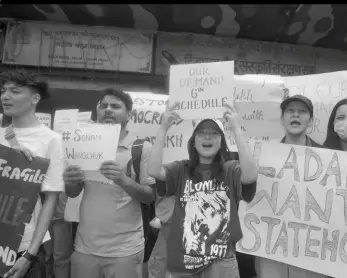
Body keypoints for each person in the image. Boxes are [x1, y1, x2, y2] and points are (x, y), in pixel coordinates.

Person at [147, 102, 258, 278]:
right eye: (202, 133)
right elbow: (153, 170)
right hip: (184, 260)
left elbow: (250, 175)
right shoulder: (180, 169)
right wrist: (162, 129)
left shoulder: (231, 170)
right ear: (193, 141)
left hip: (221, 260)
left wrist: (236, 129)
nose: (207, 137)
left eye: (214, 133)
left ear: (222, 142)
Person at [62, 89, 155, 278]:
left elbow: (150, 197)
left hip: (125, 250)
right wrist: (70, 181)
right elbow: (73, 193)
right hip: (84, 247)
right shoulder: (82, 144)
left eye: (115, 106)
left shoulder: (141, 148)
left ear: (129, 114)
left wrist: (123, 180)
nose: (108, 110)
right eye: (103, 106)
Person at [0, 70, 65, 278]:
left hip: (21, 244)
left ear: (35, 98)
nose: (5, 96)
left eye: (15, 91)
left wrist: (30, 254)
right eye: (3, 91)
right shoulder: (1, 134)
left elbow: (50, 199)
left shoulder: (51, 140)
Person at [254, 94, 326, 278]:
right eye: (290, 111)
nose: (296, 115)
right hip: (271, 250)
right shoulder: (262, 158)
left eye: (302, 111)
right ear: (282, 118)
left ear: (311, 120)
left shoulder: (328, 159)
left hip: (312, 250)